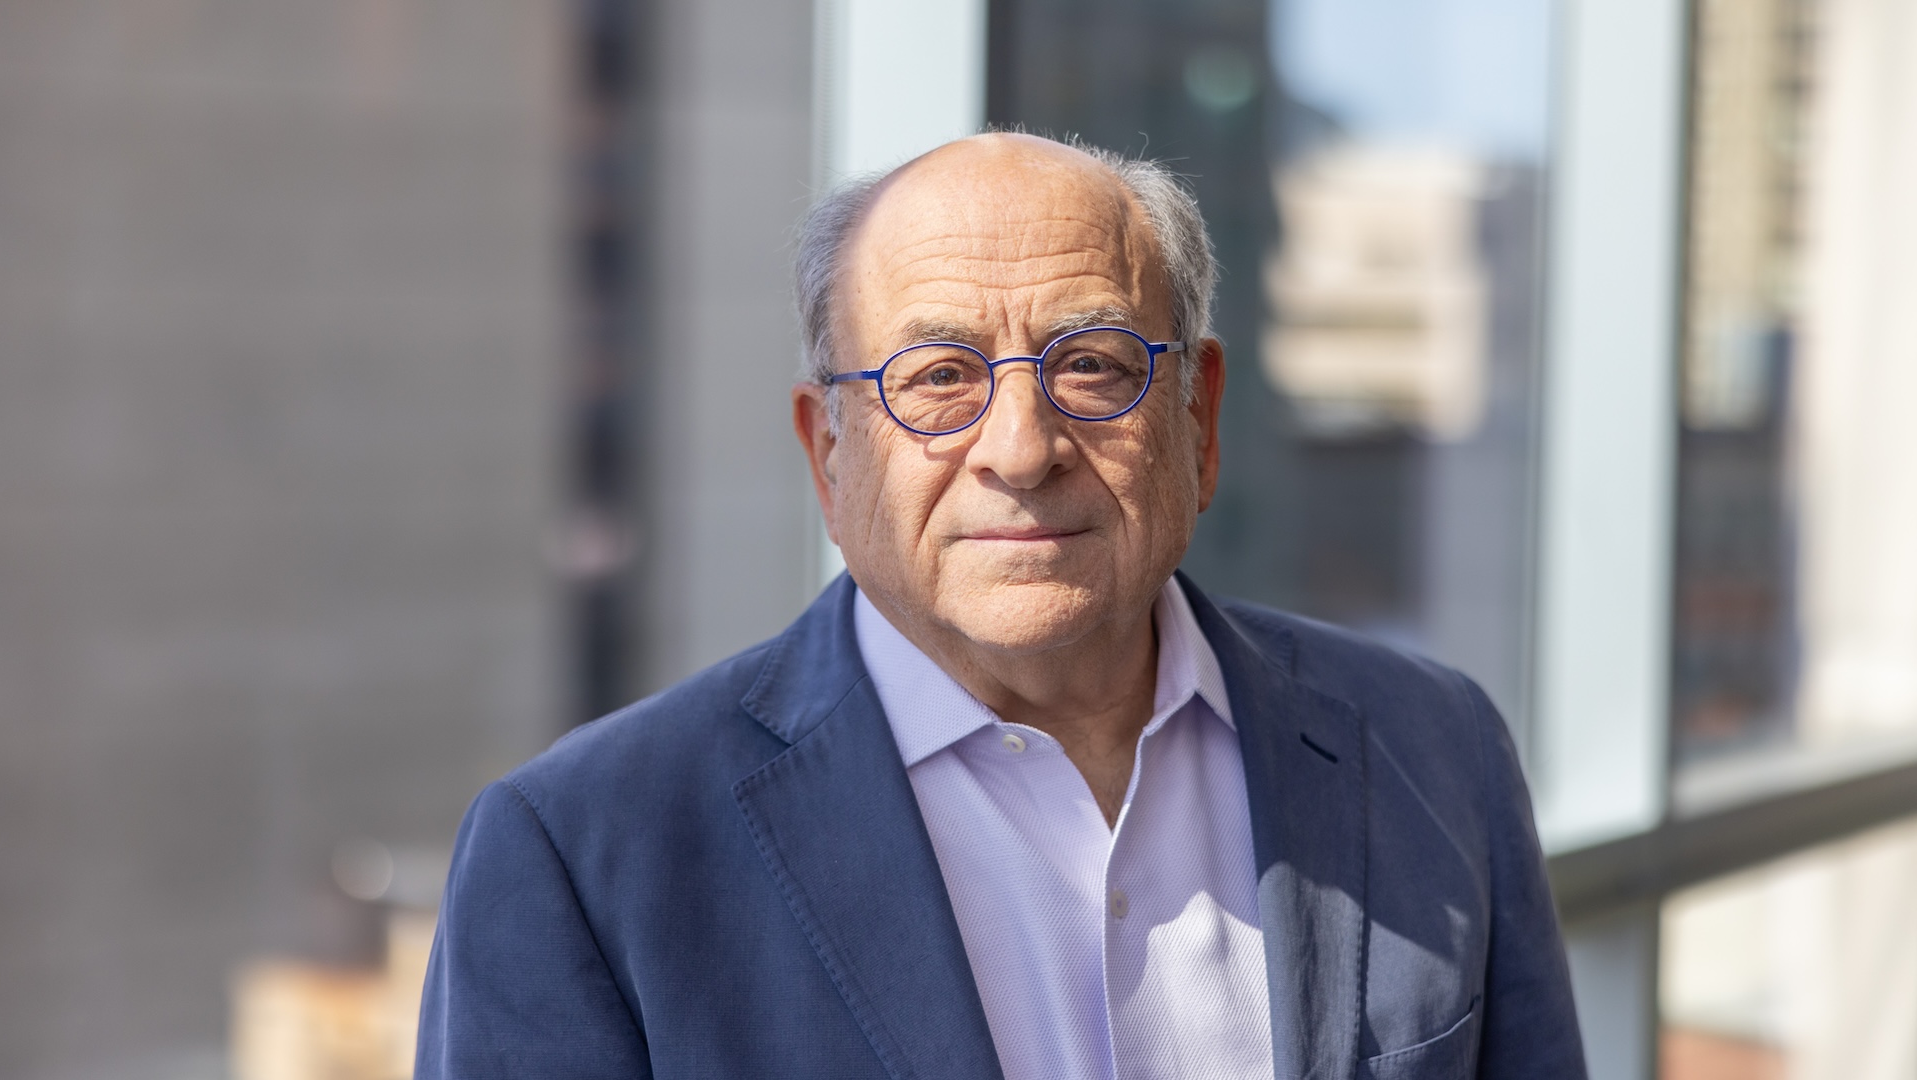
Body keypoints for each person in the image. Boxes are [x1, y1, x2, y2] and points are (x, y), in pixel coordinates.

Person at [416, 133, 1586, 1079]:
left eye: (1093, 364)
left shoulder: (1434, 746)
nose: (1022, 451)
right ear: (829, 455)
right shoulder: (582, 853)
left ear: (1201, 419)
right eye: (938, 379)